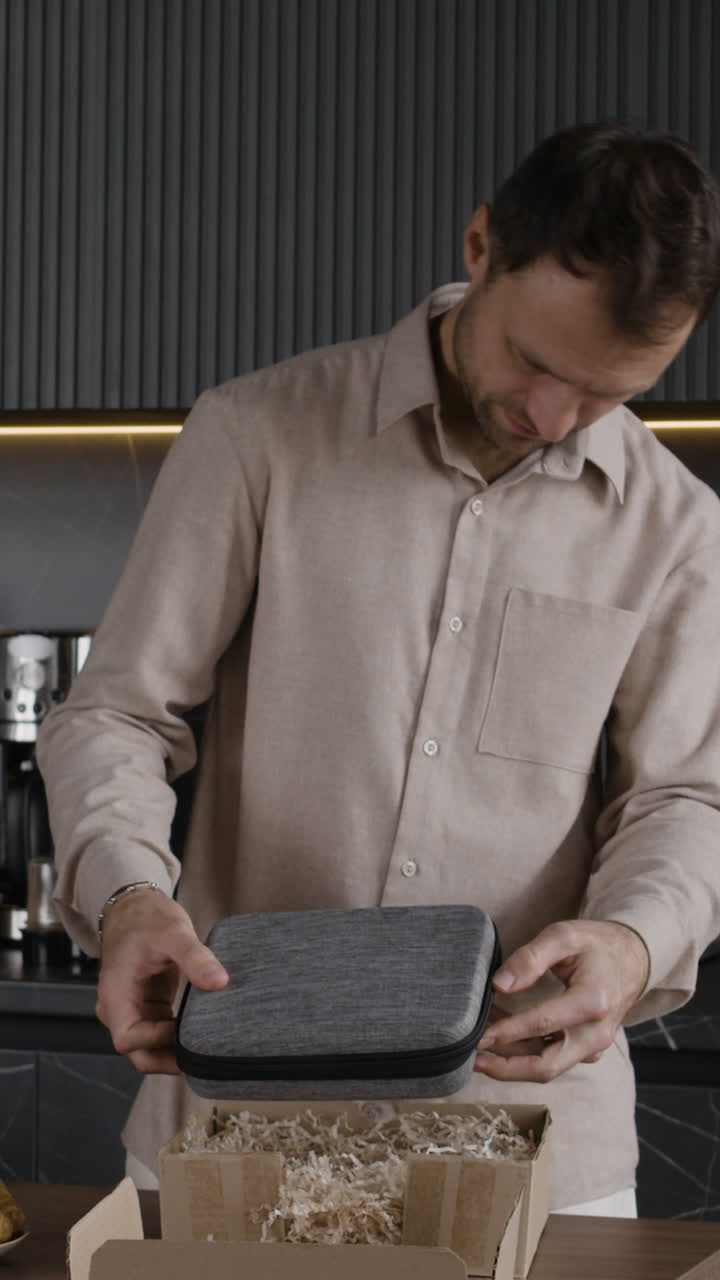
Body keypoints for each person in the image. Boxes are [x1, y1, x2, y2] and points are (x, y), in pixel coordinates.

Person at [37, 121, 720, 1215]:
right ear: (481, 243)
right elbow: (115, 713)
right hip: (233, 1132)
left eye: (607, 392)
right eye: (537, 363)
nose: (555, 418)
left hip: (537, 1149)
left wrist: (637, 941)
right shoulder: (256, 436)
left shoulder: (678, 526)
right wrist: (125, 891)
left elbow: (689, 792)